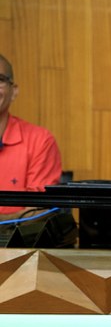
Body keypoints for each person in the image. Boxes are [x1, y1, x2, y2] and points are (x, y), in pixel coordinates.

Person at [0, 53, 63, 219]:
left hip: (17, 237)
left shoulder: (40, 141)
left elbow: (36, 215)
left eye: (0, 79)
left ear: (14, 91)